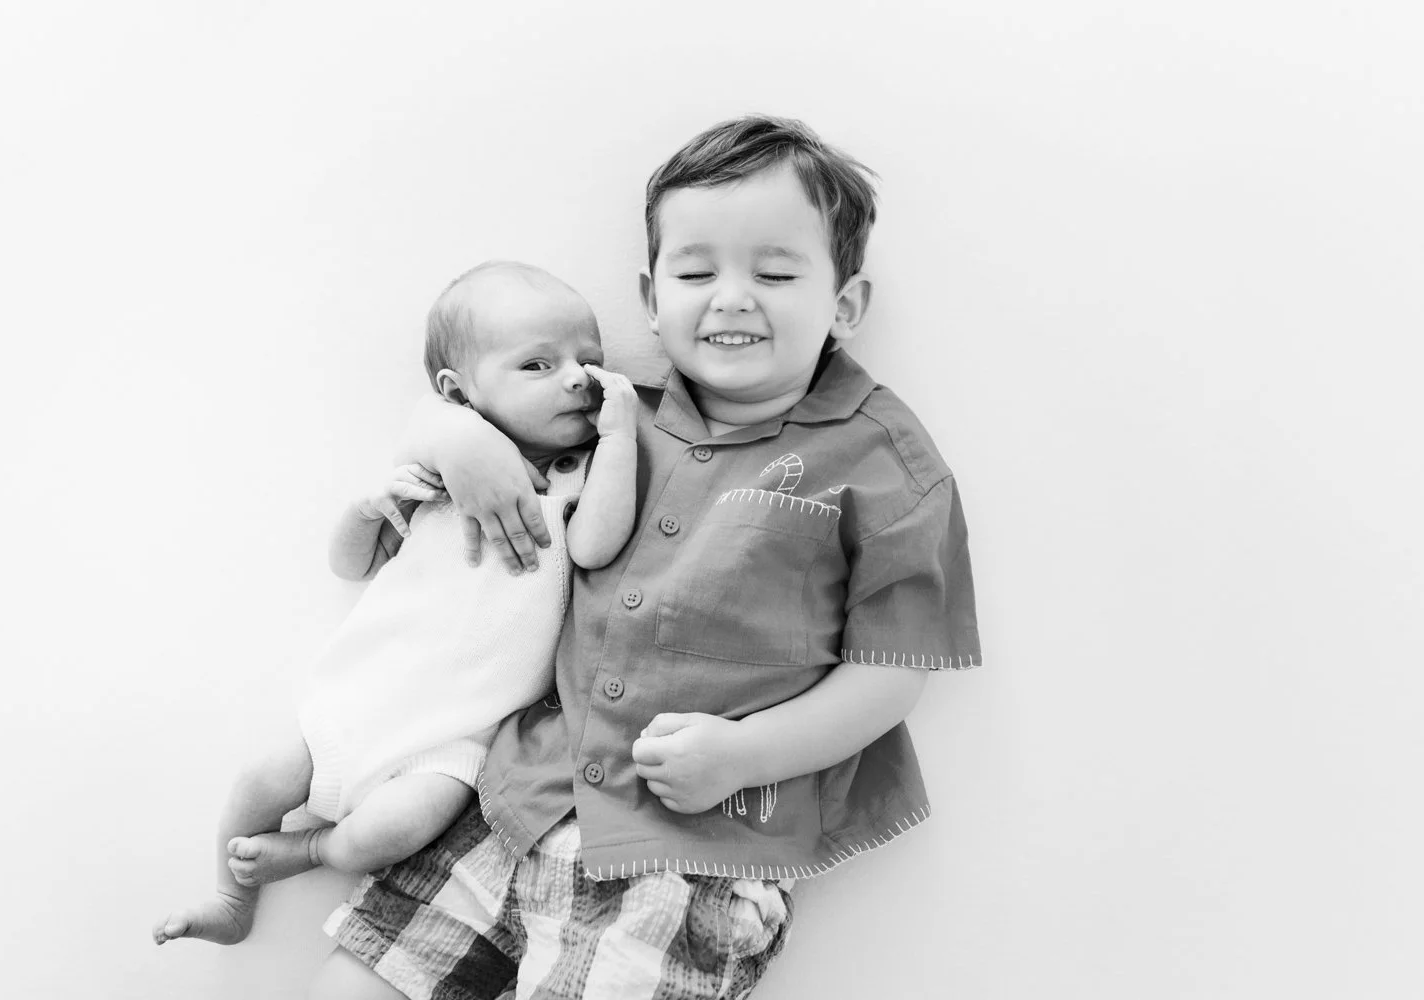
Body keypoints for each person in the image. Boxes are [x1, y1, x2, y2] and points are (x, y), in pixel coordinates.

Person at [310, 114, 983, 1000]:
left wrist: (746, 753)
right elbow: (460, 396)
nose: (731, 297)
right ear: (651, 296)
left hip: (693, 849)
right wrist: (454, 439)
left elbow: (890, 675)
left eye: (775, 273)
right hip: (520, 798)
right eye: (696, 272)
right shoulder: (613, 416)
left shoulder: (886, 463)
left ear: (845, 306)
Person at [153, 261, 639, 947]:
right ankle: (230, 899)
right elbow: (350, 565)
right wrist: (366, 510)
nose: (575, 380)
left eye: (589, 362)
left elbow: (594, 548)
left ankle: (312, 851)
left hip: (454, 738)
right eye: (537, 364)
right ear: (458, 392)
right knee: (262, 779)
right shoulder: (438, 472)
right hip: (359, 701)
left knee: (393, 832)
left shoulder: (580, 475)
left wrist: (619, 443)